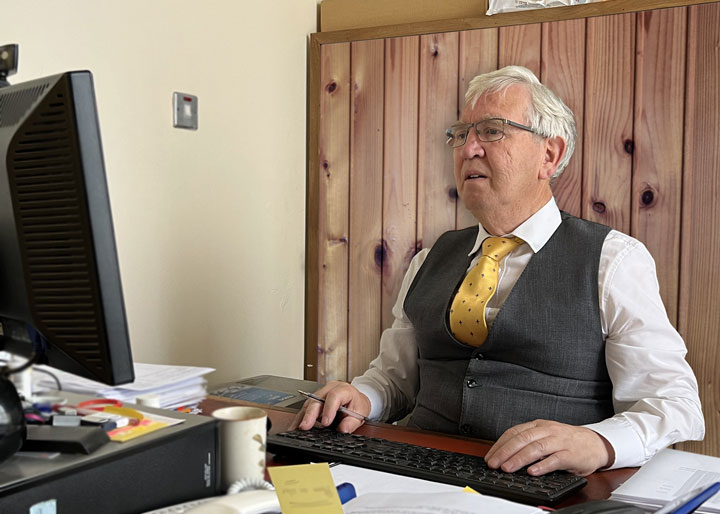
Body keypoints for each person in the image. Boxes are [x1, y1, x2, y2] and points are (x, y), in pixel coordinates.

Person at [294, 65, 704, 477]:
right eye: (460, 134)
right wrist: (362, 395)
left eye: (492, 131)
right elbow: (395, 379)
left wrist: (599, 442)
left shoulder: (614, 261)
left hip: (541, 490)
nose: (468, 148)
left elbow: (675, 403)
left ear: (550, 155)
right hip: (415, 473)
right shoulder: (428, 260)